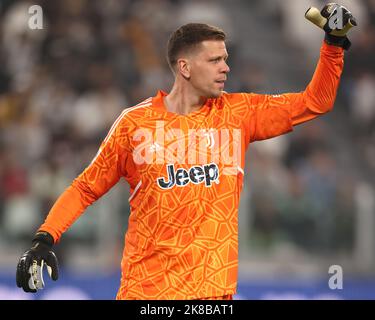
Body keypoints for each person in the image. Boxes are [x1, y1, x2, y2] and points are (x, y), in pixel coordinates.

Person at [16, 3, 357, 300]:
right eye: (215, 60)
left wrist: (334, 44)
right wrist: (45, 238)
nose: (226, 67)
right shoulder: (135, 124)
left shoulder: (238, 114)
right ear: (185, 67)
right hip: (147, 293)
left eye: (226, 59)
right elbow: (86, 187)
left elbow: (317, 101)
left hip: (211, 293)